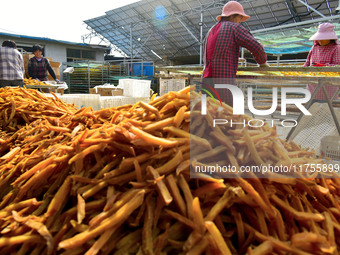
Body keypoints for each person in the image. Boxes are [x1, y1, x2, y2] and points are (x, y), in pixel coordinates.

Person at [202, 1, 268, 105]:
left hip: (206, 80)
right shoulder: (234, 27)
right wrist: (262, 62)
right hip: (223, 81)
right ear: (233, 16)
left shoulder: (211, 30)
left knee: (210, 112)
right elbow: (256, 47)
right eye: (240, 18)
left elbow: (215, 53)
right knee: (226, 113)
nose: (241, 21)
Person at [304, 22, 340, 101]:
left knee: (327, 109)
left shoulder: (336, 48)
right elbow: (307, 63)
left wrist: (323, 66)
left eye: (323, 38)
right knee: (311, 107)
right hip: (312, 83)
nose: (320, 40)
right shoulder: (314, 48)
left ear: (330, 38)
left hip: (328, 85)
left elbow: (338, 67)